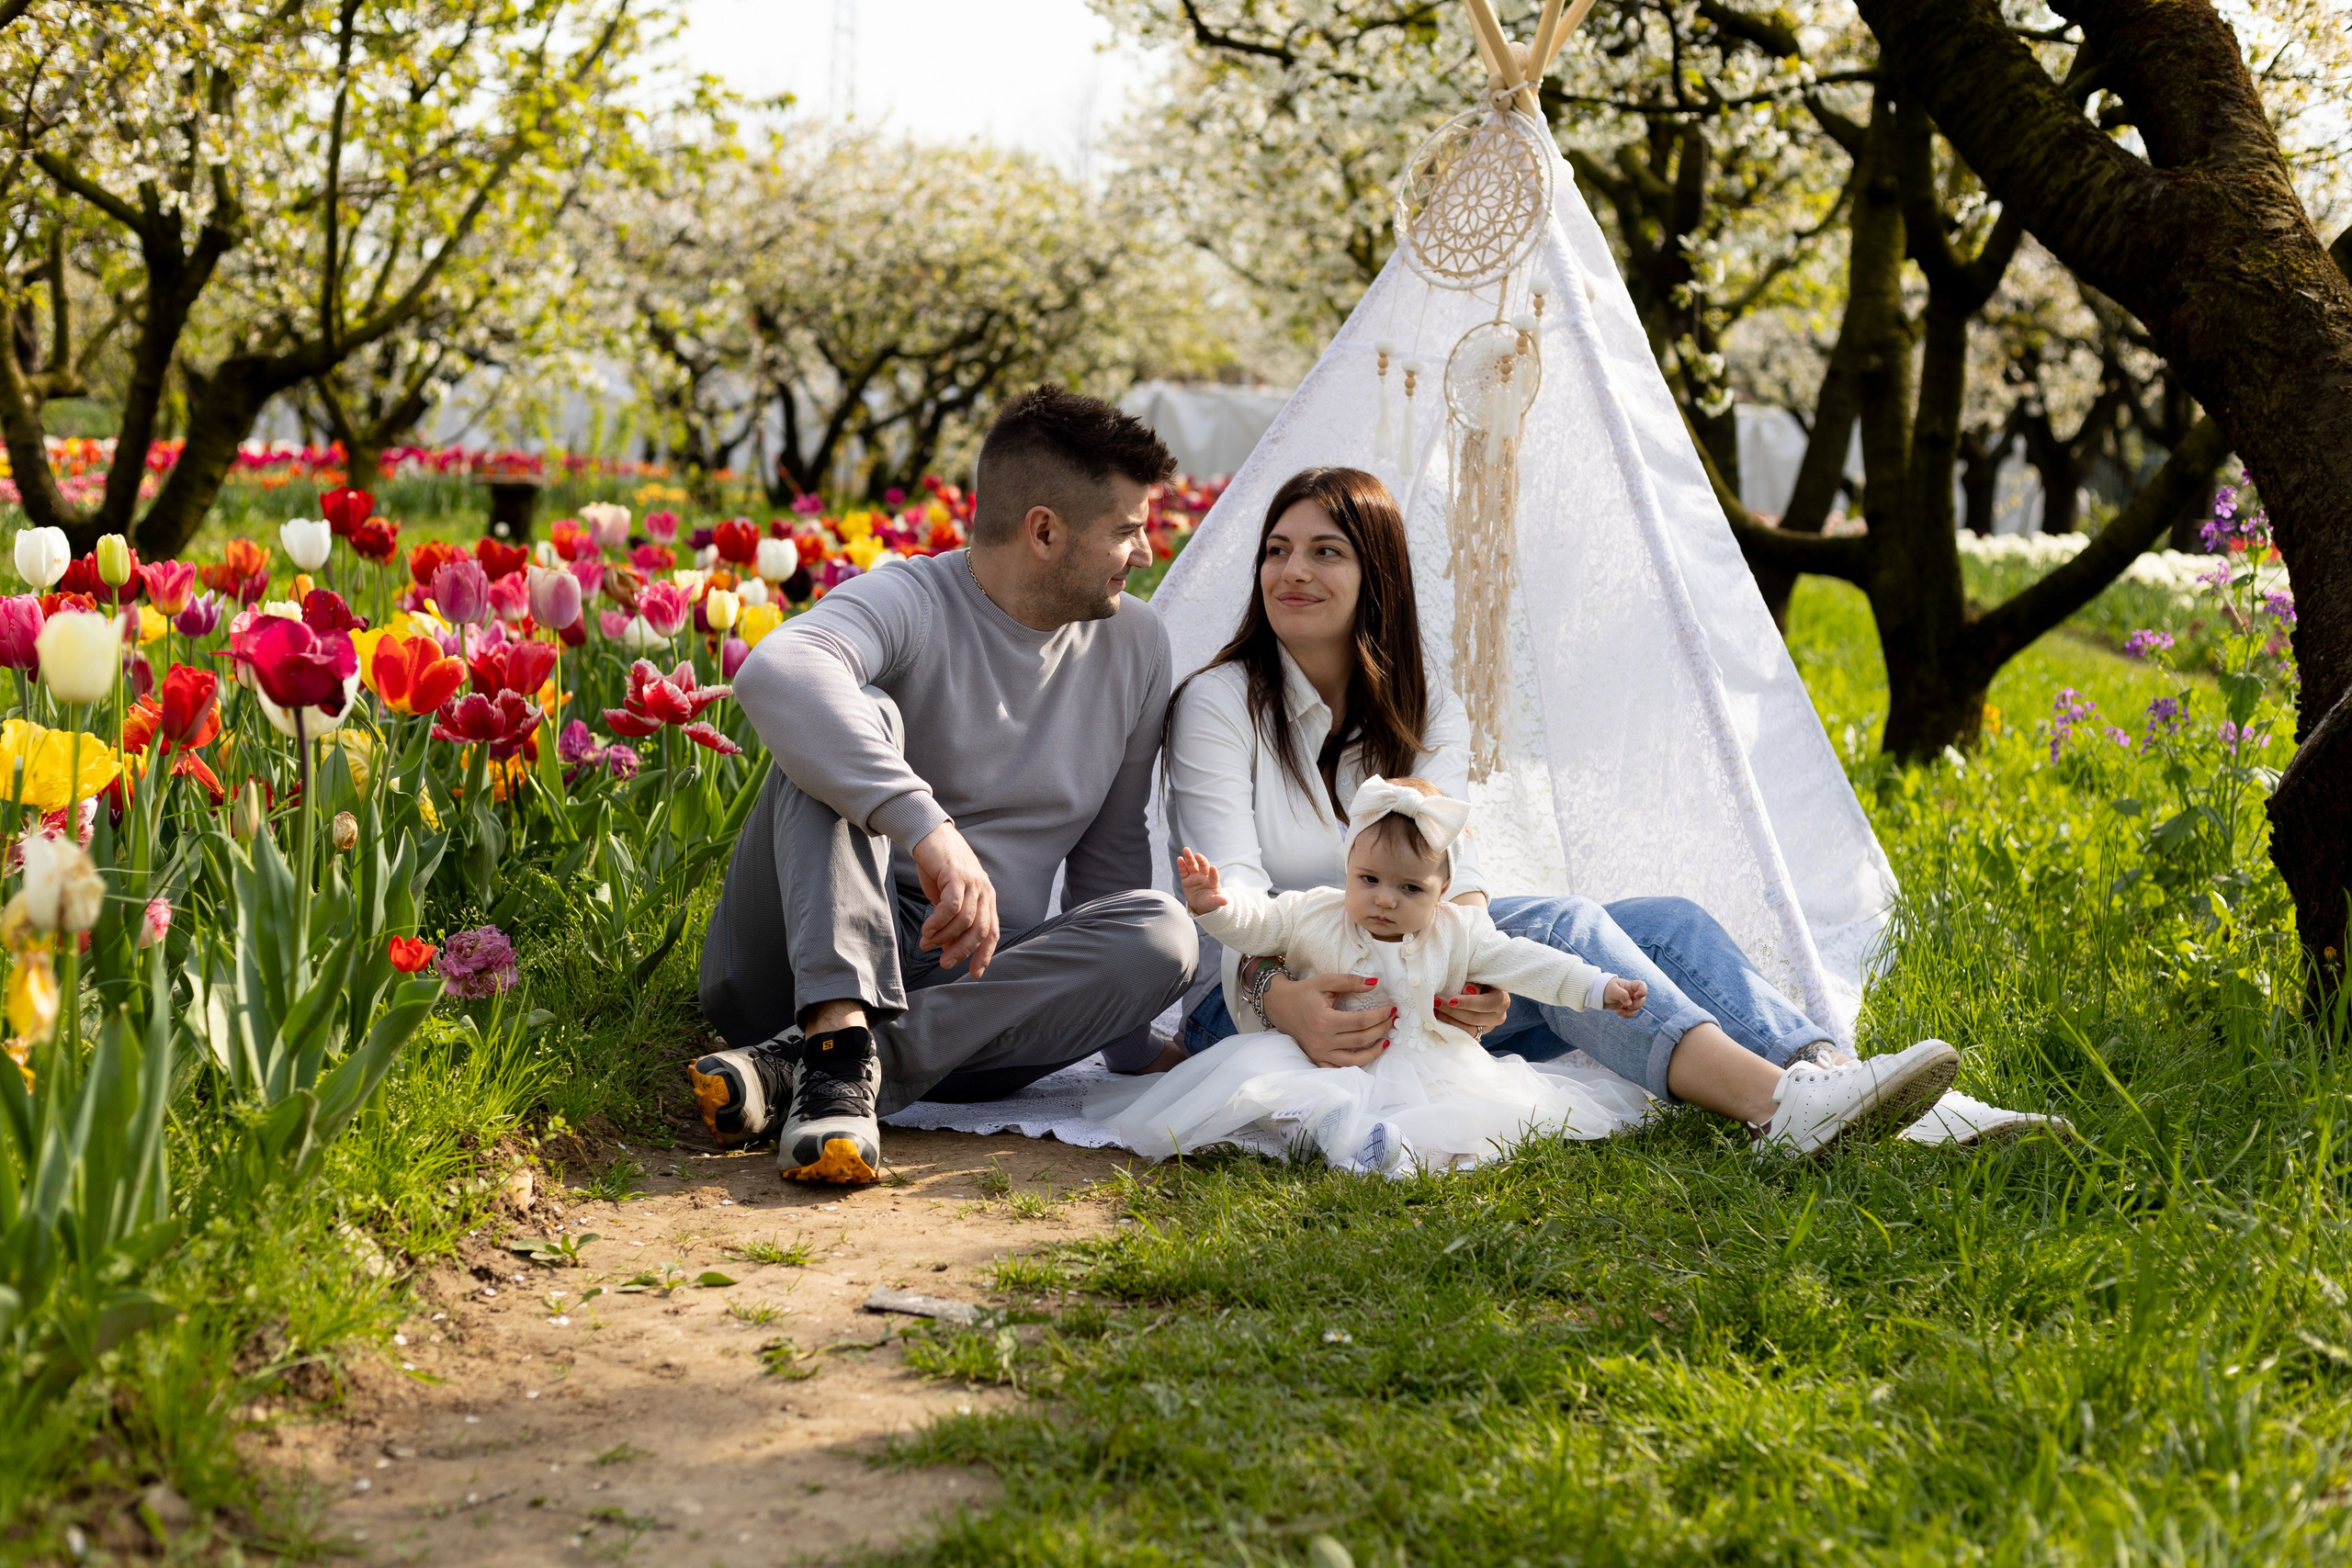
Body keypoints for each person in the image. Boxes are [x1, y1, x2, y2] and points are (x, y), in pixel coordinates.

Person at [1163, 464, 2051, 1151]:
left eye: (1325, 551)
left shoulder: (1426, 709)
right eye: (1276, 549)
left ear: (1377, 575)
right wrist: (1283, 1000)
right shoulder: (1219, 703)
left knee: (1667, 922)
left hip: (1410, 983)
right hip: (1264, 994)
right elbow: (1231, 903)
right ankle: (1780, 1107)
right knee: (1568, 924)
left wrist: (1477, 979)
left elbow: (1450, 877)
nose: (1292, 570)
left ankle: (1835, 1080)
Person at [691, 385, 1199, 1182]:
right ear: (1044, 530)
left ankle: (824, 1064)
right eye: (1127, 531)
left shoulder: (1136, 644)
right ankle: (831, 1025)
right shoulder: (914, 599)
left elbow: (1110, 858)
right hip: (788, 964)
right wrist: (927, 827)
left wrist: (1126, 1028)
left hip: (972, 996)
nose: (1142, 553)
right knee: (853, 713)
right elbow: (777, 670)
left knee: (1163, 930)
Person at [1093, 777, 1667, 1169]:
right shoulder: (1315, 912)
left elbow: (1530, 963)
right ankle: (1325, 1132)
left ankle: (1391, 1151)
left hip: (1422, 1060)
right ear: (1348, 867)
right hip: (1323, 1057)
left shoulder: (1457, 932)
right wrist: (1215, 906)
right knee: (1279, 1087)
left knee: (1460, 1115)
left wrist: (1598, 987)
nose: (1385, 899)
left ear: (1444, 891)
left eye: (1410, 887)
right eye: (1368, 880)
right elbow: (1258, 926)